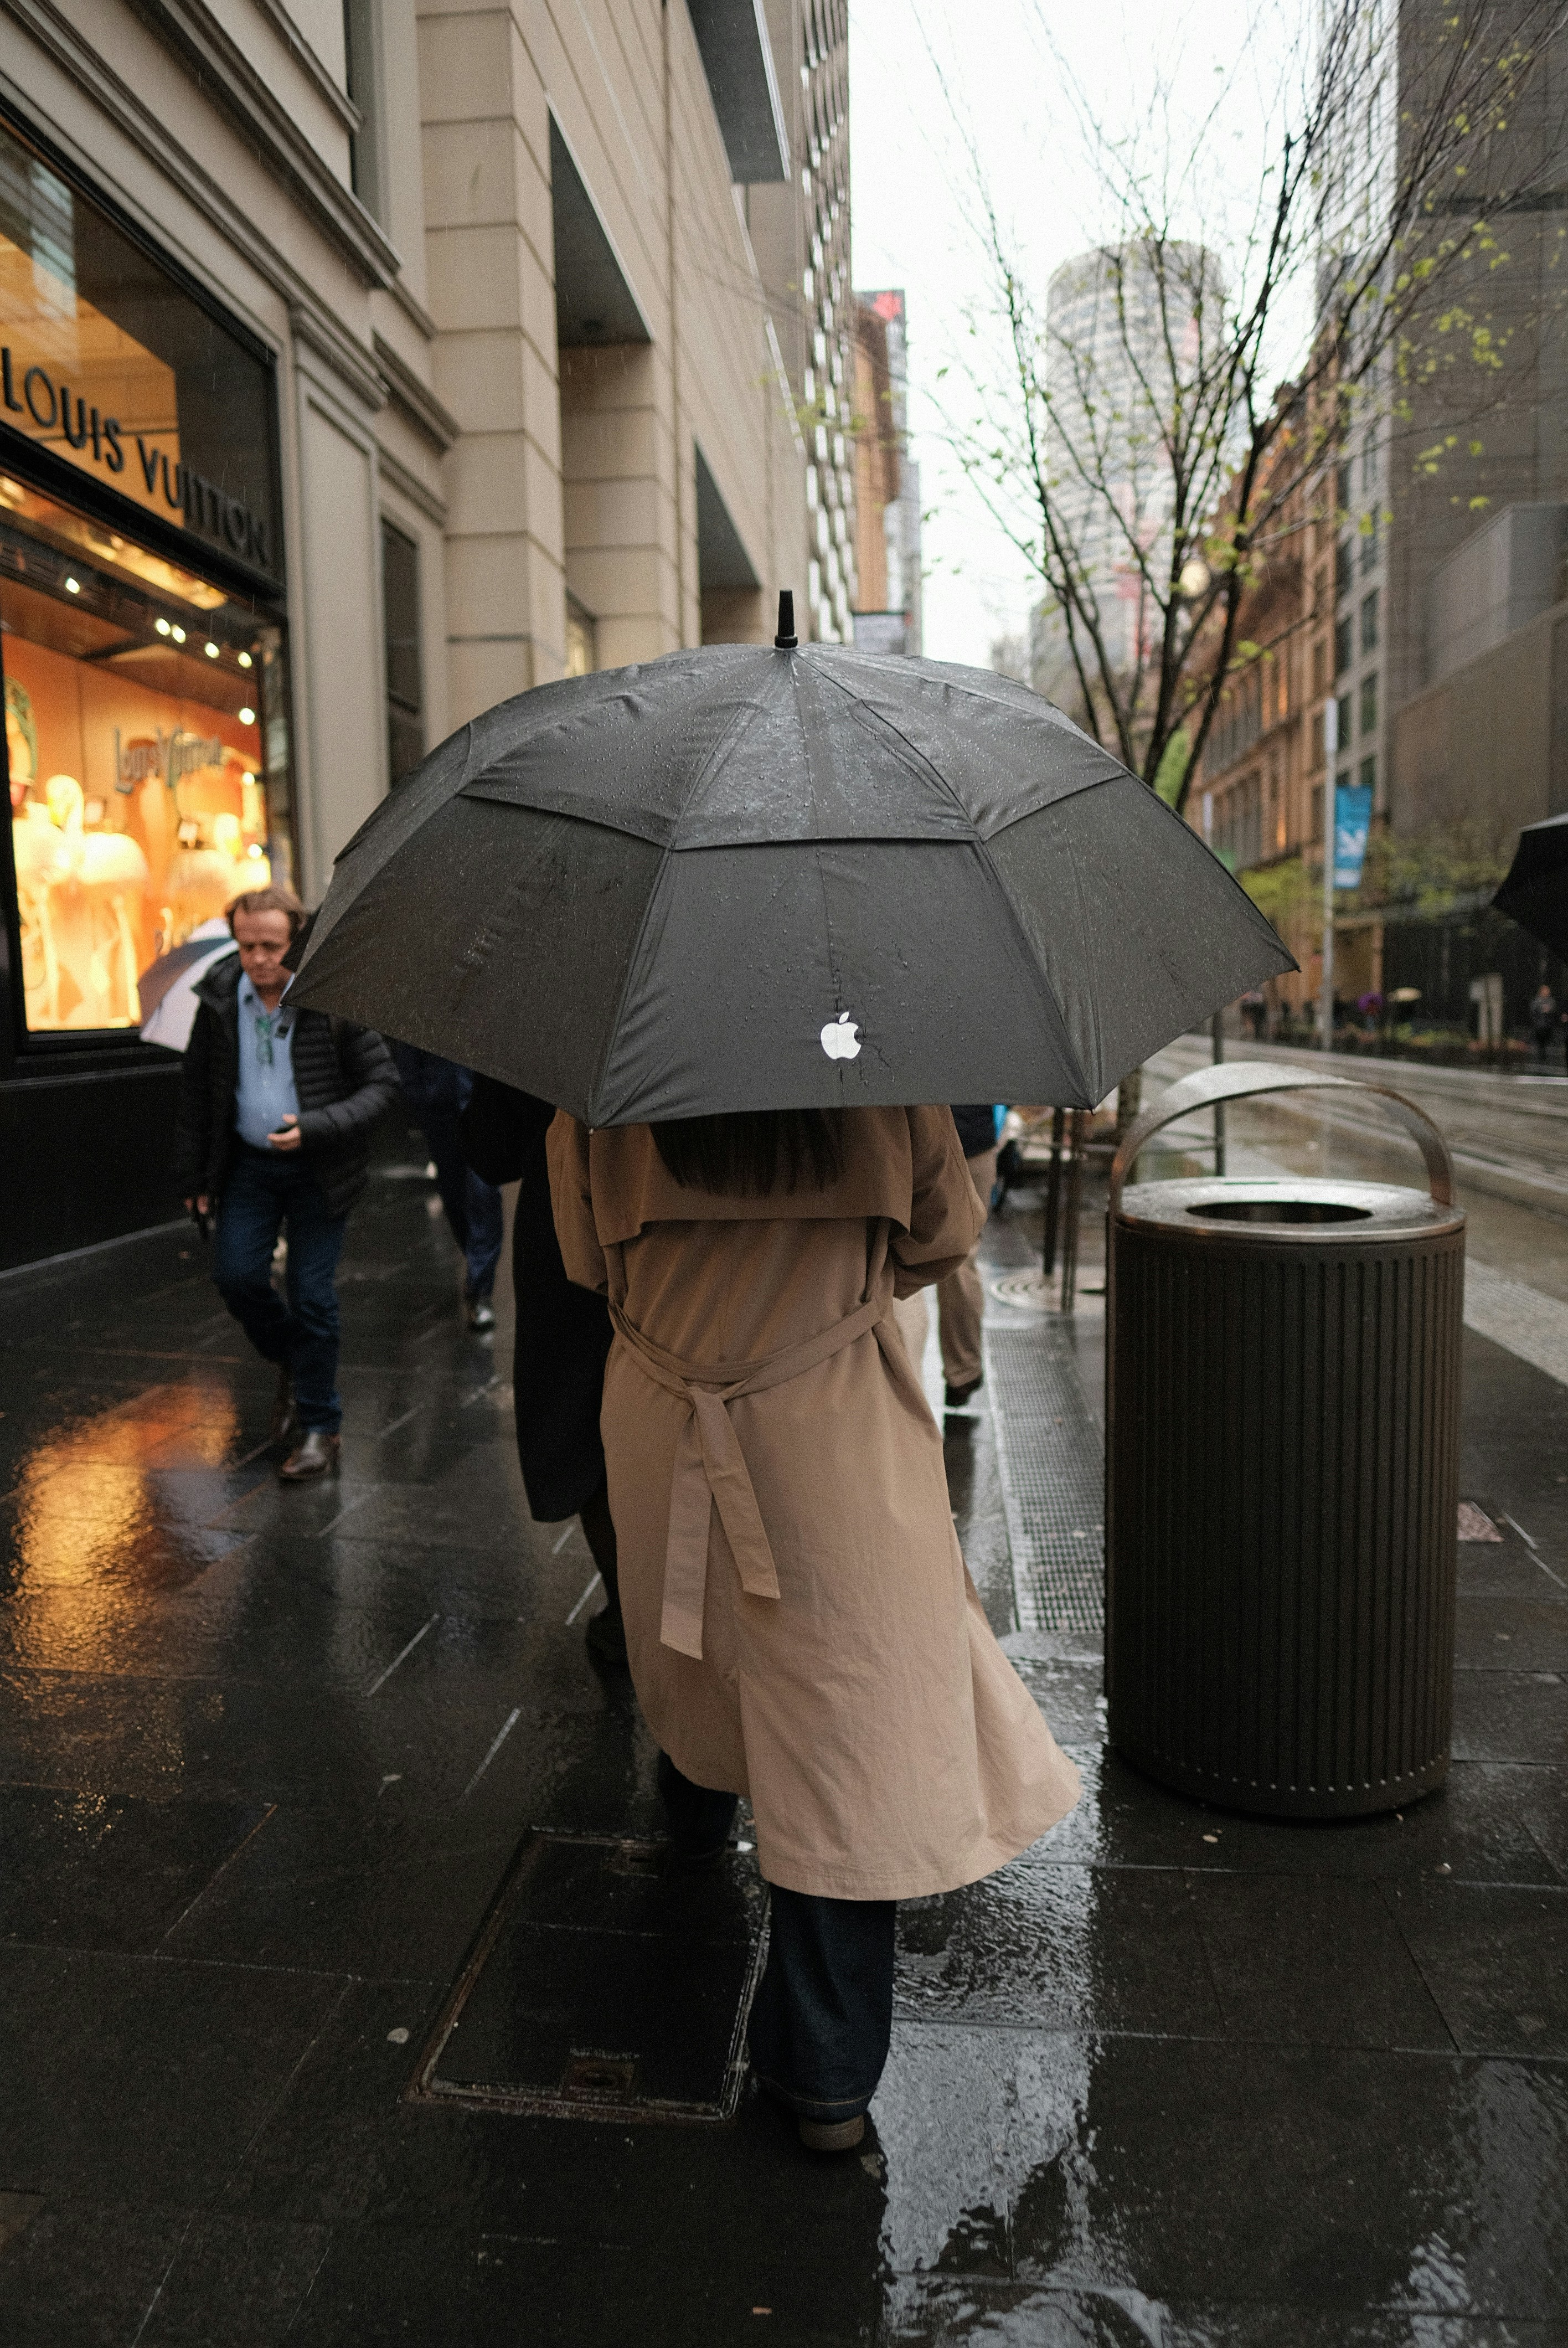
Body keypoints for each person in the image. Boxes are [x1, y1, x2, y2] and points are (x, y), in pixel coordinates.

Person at [548, 1103, 1080, 2152]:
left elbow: (585, 1264)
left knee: (691, 1640)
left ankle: (694, 1816)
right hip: (830, 1413)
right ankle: (826, 2076)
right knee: (846, 1719)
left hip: (666, 1407)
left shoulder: (602, 1097)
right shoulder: (884, 1081)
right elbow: (943, 1238)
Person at [173, 884, 398, 1480]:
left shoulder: (333, 997)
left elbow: (383, 1087)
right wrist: (194, 1174)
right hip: (248, 1165)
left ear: (295, 939)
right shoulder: (221, 998)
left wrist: (319, 1126)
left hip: (321, 1168)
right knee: (236, 1276)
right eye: (246, 945)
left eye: (271, 945)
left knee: (312, 1293)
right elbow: (198, 1091)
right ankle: (297, 1363)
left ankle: (322, 1425)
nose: (258, 958)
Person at [462, 1079, 625, 1664]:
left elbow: (491, 1152)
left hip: (564, 1240)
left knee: (578, 1420)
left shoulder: (541, 1004)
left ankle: (628, 1608)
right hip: (670, 1235)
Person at [390, 1044, 504, 1330]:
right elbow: (408, 1046)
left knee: (484, 1193)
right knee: (453, 1193)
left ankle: (480, 1287)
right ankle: (476, 1264)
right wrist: (417, 1096)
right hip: (438, 1105)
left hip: (484, 1104)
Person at [894, 1103, 997, 1409]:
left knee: (898, 1253)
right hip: (973, 1142)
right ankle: (963, 1370)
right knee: (962, 1255)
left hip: (908, 1141)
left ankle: (905, 1383)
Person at [1530, 983, 1559, 1066]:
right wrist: (1541, 1010)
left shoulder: (1551, 1000)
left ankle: (1545, 1055)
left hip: (1548, 1024)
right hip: (1539, 1024)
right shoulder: (1537, 1000)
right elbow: (1533, 1010)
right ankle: (1541, 1055)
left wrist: (1549, 1010)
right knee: (1540, 1041)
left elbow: (1554, 1009)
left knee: (1547, 1039)